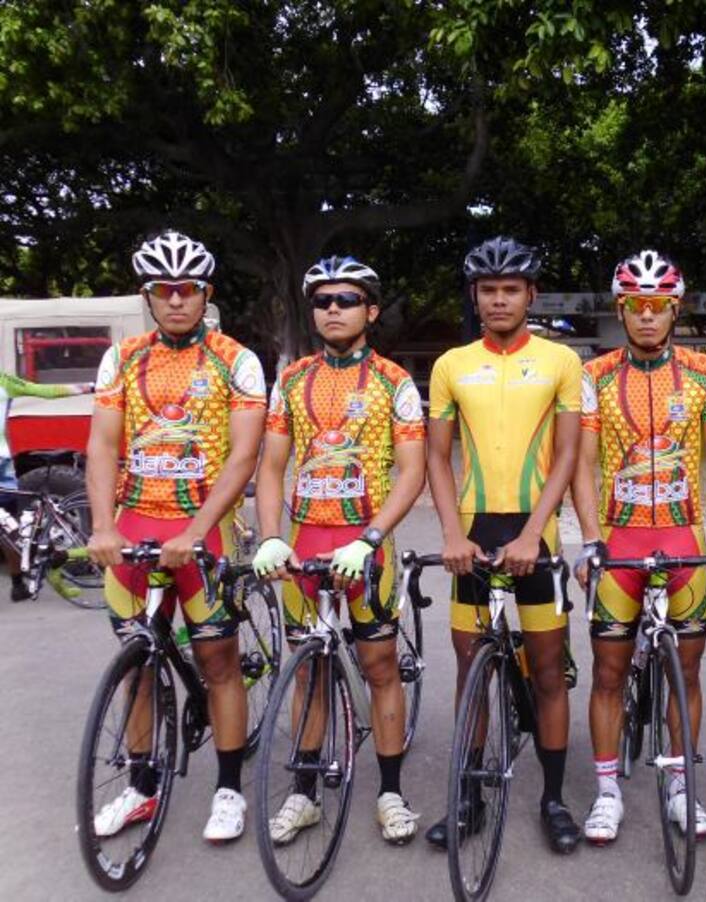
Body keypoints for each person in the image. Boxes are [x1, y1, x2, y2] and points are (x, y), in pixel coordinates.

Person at [86, 230, 266, 842]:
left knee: (217, 662)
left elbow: (243, 457)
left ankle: (228, 788)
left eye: (187, 290)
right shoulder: (124, 357)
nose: (176, 301)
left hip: (205, 529)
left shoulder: (235, 359)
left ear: (205, 293)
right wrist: (103, 525)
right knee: (137, 666)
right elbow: (104, 445)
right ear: (148, 297)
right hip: (135, 525)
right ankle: (140, 787)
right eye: (164, 291)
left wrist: (197, 529)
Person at [571, 250, 706, 845]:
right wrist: (592, 540)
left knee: (689, 668)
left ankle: (680, 784)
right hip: (621, 540)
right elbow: (581, 465)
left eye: (658, 306)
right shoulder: (595, 376)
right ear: (621, 309)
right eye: (636, 306)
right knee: (608, 669)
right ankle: (606, 792)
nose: (647, 317)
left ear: (675, 308)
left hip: (683, 538)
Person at [252, 256, 427, 845]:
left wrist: (372, 535)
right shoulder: (293, 379)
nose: (332, 309)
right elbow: (272, 464)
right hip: (306, 542)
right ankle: (303, 796)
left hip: (365, 545)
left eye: (346, 300)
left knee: (379, 667)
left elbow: (411, 472)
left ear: (370, 311)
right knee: (309, 673)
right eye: (323, 301)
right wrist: (270, 533)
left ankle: (391, 792)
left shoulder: (393, 382)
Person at [425, 236, 584, 854]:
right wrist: (450, 534)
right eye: (488, 290)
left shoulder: (559, 360)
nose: (498, 299)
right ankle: (468, 799)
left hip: (534, 531)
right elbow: (438, 460)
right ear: (475, 296)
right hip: (472, 529)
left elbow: (568, 455)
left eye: (510, 289)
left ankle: (552, 799)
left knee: (547, 672)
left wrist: (531, 535)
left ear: (530, 295)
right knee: (470, 670)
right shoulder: (450, 364)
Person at [0, 371, 92, 600]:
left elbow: (46, 391)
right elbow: (46, 391)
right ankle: (19, 584)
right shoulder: (4, 380)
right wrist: (92, 386)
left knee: (8, 528)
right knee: (9, 527)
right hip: (4, 465)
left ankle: (43, 562)